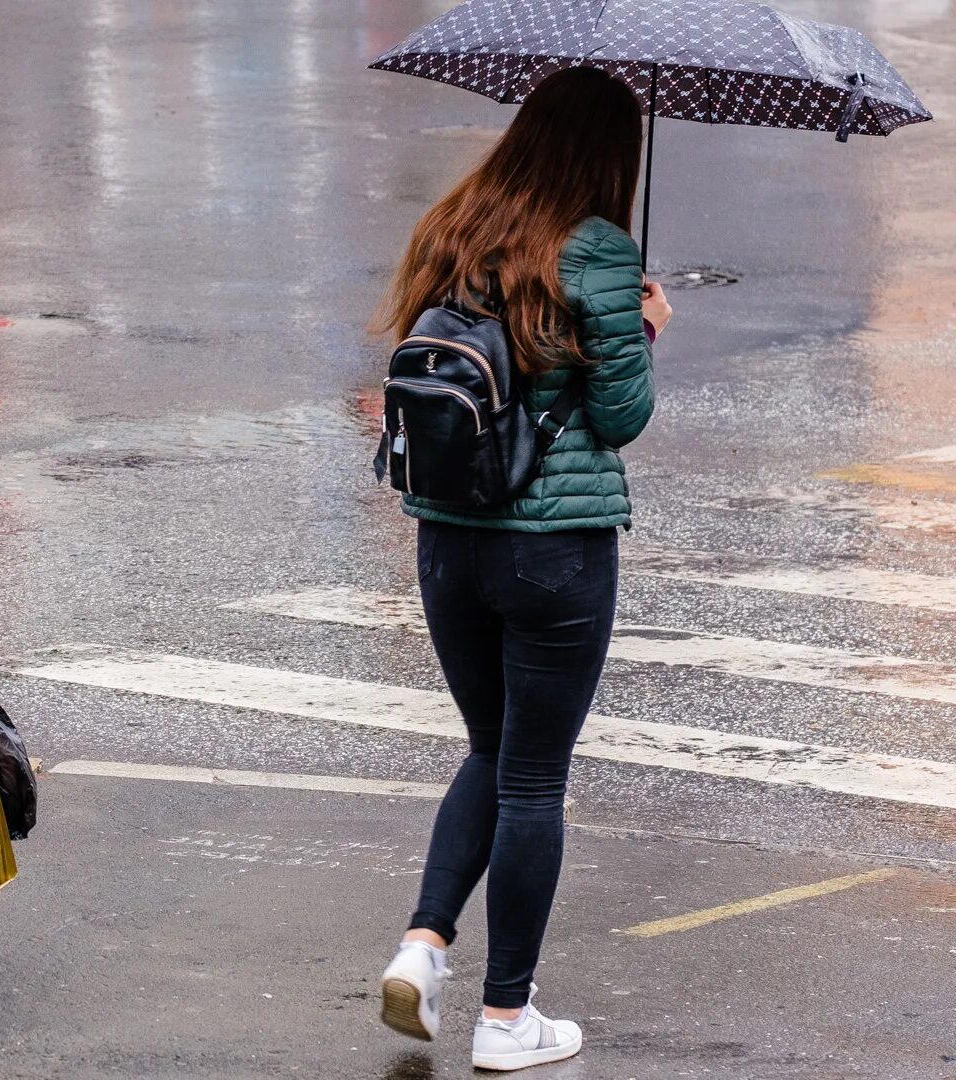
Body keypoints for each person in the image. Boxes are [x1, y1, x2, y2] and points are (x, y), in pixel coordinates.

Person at [369, 67, 668, 1072]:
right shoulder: (598, 253)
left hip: (447, 539)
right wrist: (644, 327)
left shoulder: (450, 228)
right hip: (554, 551)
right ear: (606, 157)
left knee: (488, 751)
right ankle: (506, 1020)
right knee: (535, 777)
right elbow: (621, 417)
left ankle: (423, 945)